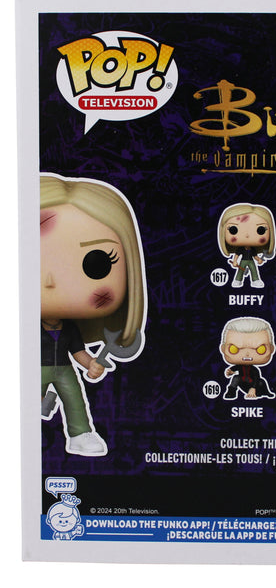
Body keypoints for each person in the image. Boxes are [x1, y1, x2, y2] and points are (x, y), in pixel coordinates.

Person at [40, 174, 146, 456]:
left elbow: (78, 351)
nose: (50, 280)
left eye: (96, 264)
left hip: (64, 368)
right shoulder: (24, 328)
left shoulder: (69, 327)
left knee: (74, 398)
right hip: (31, 371)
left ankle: (80, 434)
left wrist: (91, 364)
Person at [218, 203, 276, 288]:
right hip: (243, 261)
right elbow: (237, 255)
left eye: (261, 230)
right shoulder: (241, 249)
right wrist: (235, 261)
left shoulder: (252, 249)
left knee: (254, 270)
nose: (247, 235)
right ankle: (238, 280)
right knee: (240, 271)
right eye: (233, 229)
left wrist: (259, 259)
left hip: (251, 260)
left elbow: (255, 255)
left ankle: (256, 280)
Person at [220, 317, 276, 399]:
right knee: (236, 378)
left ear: (271, 349)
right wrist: (230, 371)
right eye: (234, 349)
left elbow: (256, 379)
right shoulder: (239, 366)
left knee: (261, 382)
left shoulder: (254, 370)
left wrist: (253, 388)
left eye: (260, 349)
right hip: (244, 383)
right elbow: (234, 368)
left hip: (255, 385)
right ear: (223, 349)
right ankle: (231, 392)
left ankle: (266, 393)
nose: (247, 354)